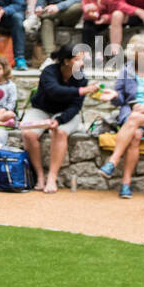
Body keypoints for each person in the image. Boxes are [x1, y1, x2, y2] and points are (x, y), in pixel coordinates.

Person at [97, 33, 144, 198]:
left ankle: (112, 161)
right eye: (141, 50)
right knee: (135, 135)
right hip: (131, 114)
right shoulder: (127, 69)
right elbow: (120, 98)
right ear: (134, 54)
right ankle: (126, 185)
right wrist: (114, 96)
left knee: (134, 118)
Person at [21, 43, 99, 193]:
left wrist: (59, 120)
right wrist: (81, 91)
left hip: (65, 113)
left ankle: (52, 176)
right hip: (42, 110)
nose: (82, 63)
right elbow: (54, 91)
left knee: (60, 132)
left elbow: (75, 107)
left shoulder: (81, 78)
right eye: (78, 59)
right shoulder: (49, 72)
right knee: (28, 133)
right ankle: (40, 176)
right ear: (66, 61)